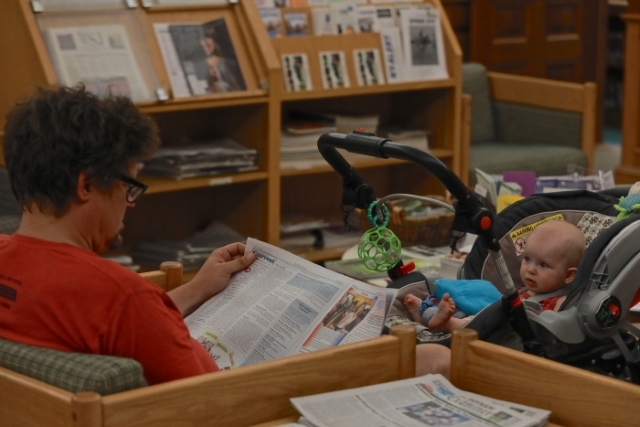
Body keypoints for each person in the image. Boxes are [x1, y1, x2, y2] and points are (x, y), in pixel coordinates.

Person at [0, 86, 452, 383]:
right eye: (127, 187)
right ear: (86, 186)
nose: (130, 205)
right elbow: (217, 393)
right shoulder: (119, 297)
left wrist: (196, 290)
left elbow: (107, 326)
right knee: (431, 358)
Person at [405, 220, 586, 332]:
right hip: (492, 320)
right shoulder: (522, 290)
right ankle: (426, 312)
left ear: (569, 275)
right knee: (467, 308)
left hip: (508, 335)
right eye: (527, 259)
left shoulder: (561, 302)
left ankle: (447, 322)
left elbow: (557, 327)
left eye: (543, 264)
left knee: (478, 321)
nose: (531, 269)